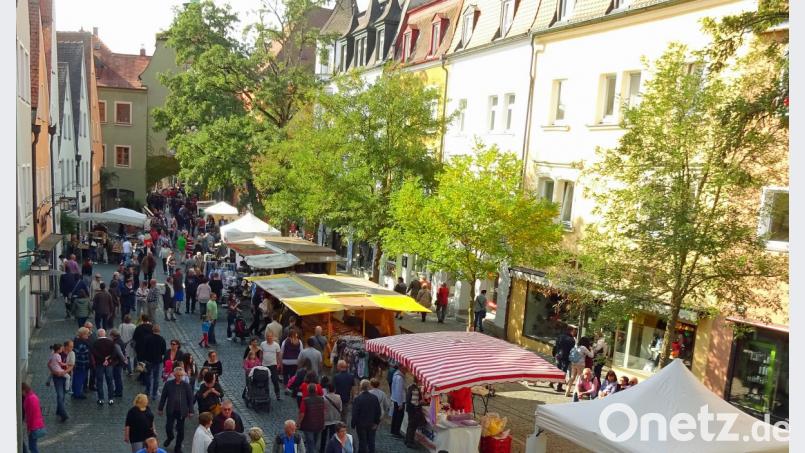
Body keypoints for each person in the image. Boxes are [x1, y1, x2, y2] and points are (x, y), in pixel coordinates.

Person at [158, 367, 195, 453]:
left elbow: (190, 399)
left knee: (180, 430)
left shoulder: (186, 386)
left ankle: (178, 447)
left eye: (181, 375)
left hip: (182, 411)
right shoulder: (168, 384)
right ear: (174, 375)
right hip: (171, 410)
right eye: (178, 375)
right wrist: (160, 408)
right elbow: (163, 397)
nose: (180, 377)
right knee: (168, 427)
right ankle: (170, 437)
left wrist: (191, 411)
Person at [92, 328, 125, 405]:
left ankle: (101, 399)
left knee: (99, 381)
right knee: (109, 381)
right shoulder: (110, 342)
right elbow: (114, 353)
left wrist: (103, 359)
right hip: (109, 364)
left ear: (98, 335)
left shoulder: (95, 343)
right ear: (105, 334)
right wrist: (108, 360)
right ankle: (111, 398)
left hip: (99, 364)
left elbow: (94, 353)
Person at [351, 380, 381, 453]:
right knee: (371, 441)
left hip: (361, 424)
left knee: (362, 441)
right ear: (369, 387)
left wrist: (353, 424)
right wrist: (376, 423)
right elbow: (378, 412)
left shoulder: (358, 399)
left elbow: (355, 413)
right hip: (371, 423)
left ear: (361, 387)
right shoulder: (374, 398)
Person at [298, 383, 325, 452]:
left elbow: (302, 413)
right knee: (314, 442)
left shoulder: (305, 400)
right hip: (319, 424)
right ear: (316, 390)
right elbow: (324, 411)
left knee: (310, 443)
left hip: (308, 425)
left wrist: (298, 423)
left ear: (308, 390)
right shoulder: (322, 399)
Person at [144, 324, 167, 400]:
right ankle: (154, 393)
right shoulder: (162, 339)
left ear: (152, 330)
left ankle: (147, 390)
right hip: (157, 361)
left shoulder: (147, 338)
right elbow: (164, 352)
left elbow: (144, 349)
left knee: (148, 376)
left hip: (148, 360)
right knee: (156, 378)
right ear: (159, 331)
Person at [22, 382, 46, 453]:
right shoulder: (33, 396)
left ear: (23, 390)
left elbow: (30, 416)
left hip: (34, 426)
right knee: (33, 446)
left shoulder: (29, 399)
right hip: (37, 424)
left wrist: (29, 429)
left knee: (32, 447)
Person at [321, 377, 343, 452]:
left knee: (323, 437)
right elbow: (340, 408)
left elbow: (322, 410)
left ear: (327, 389)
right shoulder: (338, 397)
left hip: (326, 420)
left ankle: (322, 449)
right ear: (334, 389)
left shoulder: (323, 398)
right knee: (333, 436)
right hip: (335, 419)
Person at [551, 327, 576, 393]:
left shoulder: (560, 337)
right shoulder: (572, 340)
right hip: (566, 358)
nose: (574, 333)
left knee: (557, 370)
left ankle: (551, 382)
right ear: (570, 331)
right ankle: (559, 386)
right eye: (573, 331)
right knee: (563, 372)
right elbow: (572, 351)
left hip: (558, 355)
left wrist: (554, 354)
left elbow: (555, 346)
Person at [48, 343, 69, 422]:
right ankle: (63, 414)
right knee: (60, 395)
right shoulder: (58, 355)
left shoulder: (70, 353)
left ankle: (58, 410)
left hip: (62, 373)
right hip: (58, 375)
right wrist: (54, 371)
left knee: (62, 395)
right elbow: (49, 364)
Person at [260, 332, 282, 401]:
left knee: (275, 380)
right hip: (264, 365)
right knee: (264, 381)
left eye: (270, 336)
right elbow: (261, 353)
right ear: (266, 337)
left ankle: (277, 394)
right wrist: (260, 362)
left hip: (273, 365)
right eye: (268, 336)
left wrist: (278, 364)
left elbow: (278, 355)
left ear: (272, 337)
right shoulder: (262, 344)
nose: (269, 338)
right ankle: (266, 394)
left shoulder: (276, 345)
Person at [72, 327, 92, 399]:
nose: (88, 335)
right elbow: (78, 353)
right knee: (79, 379)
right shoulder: (81, 344)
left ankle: (75, 392)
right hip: (81, 364)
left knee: (76, 378)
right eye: (87, 334)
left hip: (78, 364)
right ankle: (77, 393)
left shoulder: (76, 340)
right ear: (82, 334)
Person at [404, 380, 424, 449]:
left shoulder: (410, 386)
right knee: (412, 427)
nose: (422, 382)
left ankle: (407, 440)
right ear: (418, 381)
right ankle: (410, 442)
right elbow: (415, 402)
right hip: (414, 411)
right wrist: (421, 402)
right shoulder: (415, 389)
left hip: (410, 410)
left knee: (410, 426)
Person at [110, 329, 128, 398]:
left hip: (117, 362)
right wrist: (125, 359)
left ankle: (118, 392)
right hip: (120, 362)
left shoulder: (116, 343)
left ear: (113, 336)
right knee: (118, 377)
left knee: (117, 377)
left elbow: (119, 353)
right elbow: (124, 351)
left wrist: (124, 360)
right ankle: (118, 390)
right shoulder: (121, 341)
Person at [389, 367, 405, 438]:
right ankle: (396, 432)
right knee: (399, 417)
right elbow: (399, 391)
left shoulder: (396, 375)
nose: (407, 370)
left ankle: (393, 430)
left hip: (396, 399)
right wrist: (400, 403)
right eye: (406, 368)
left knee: (395, 416)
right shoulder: (400, 378)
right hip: (399, 400)